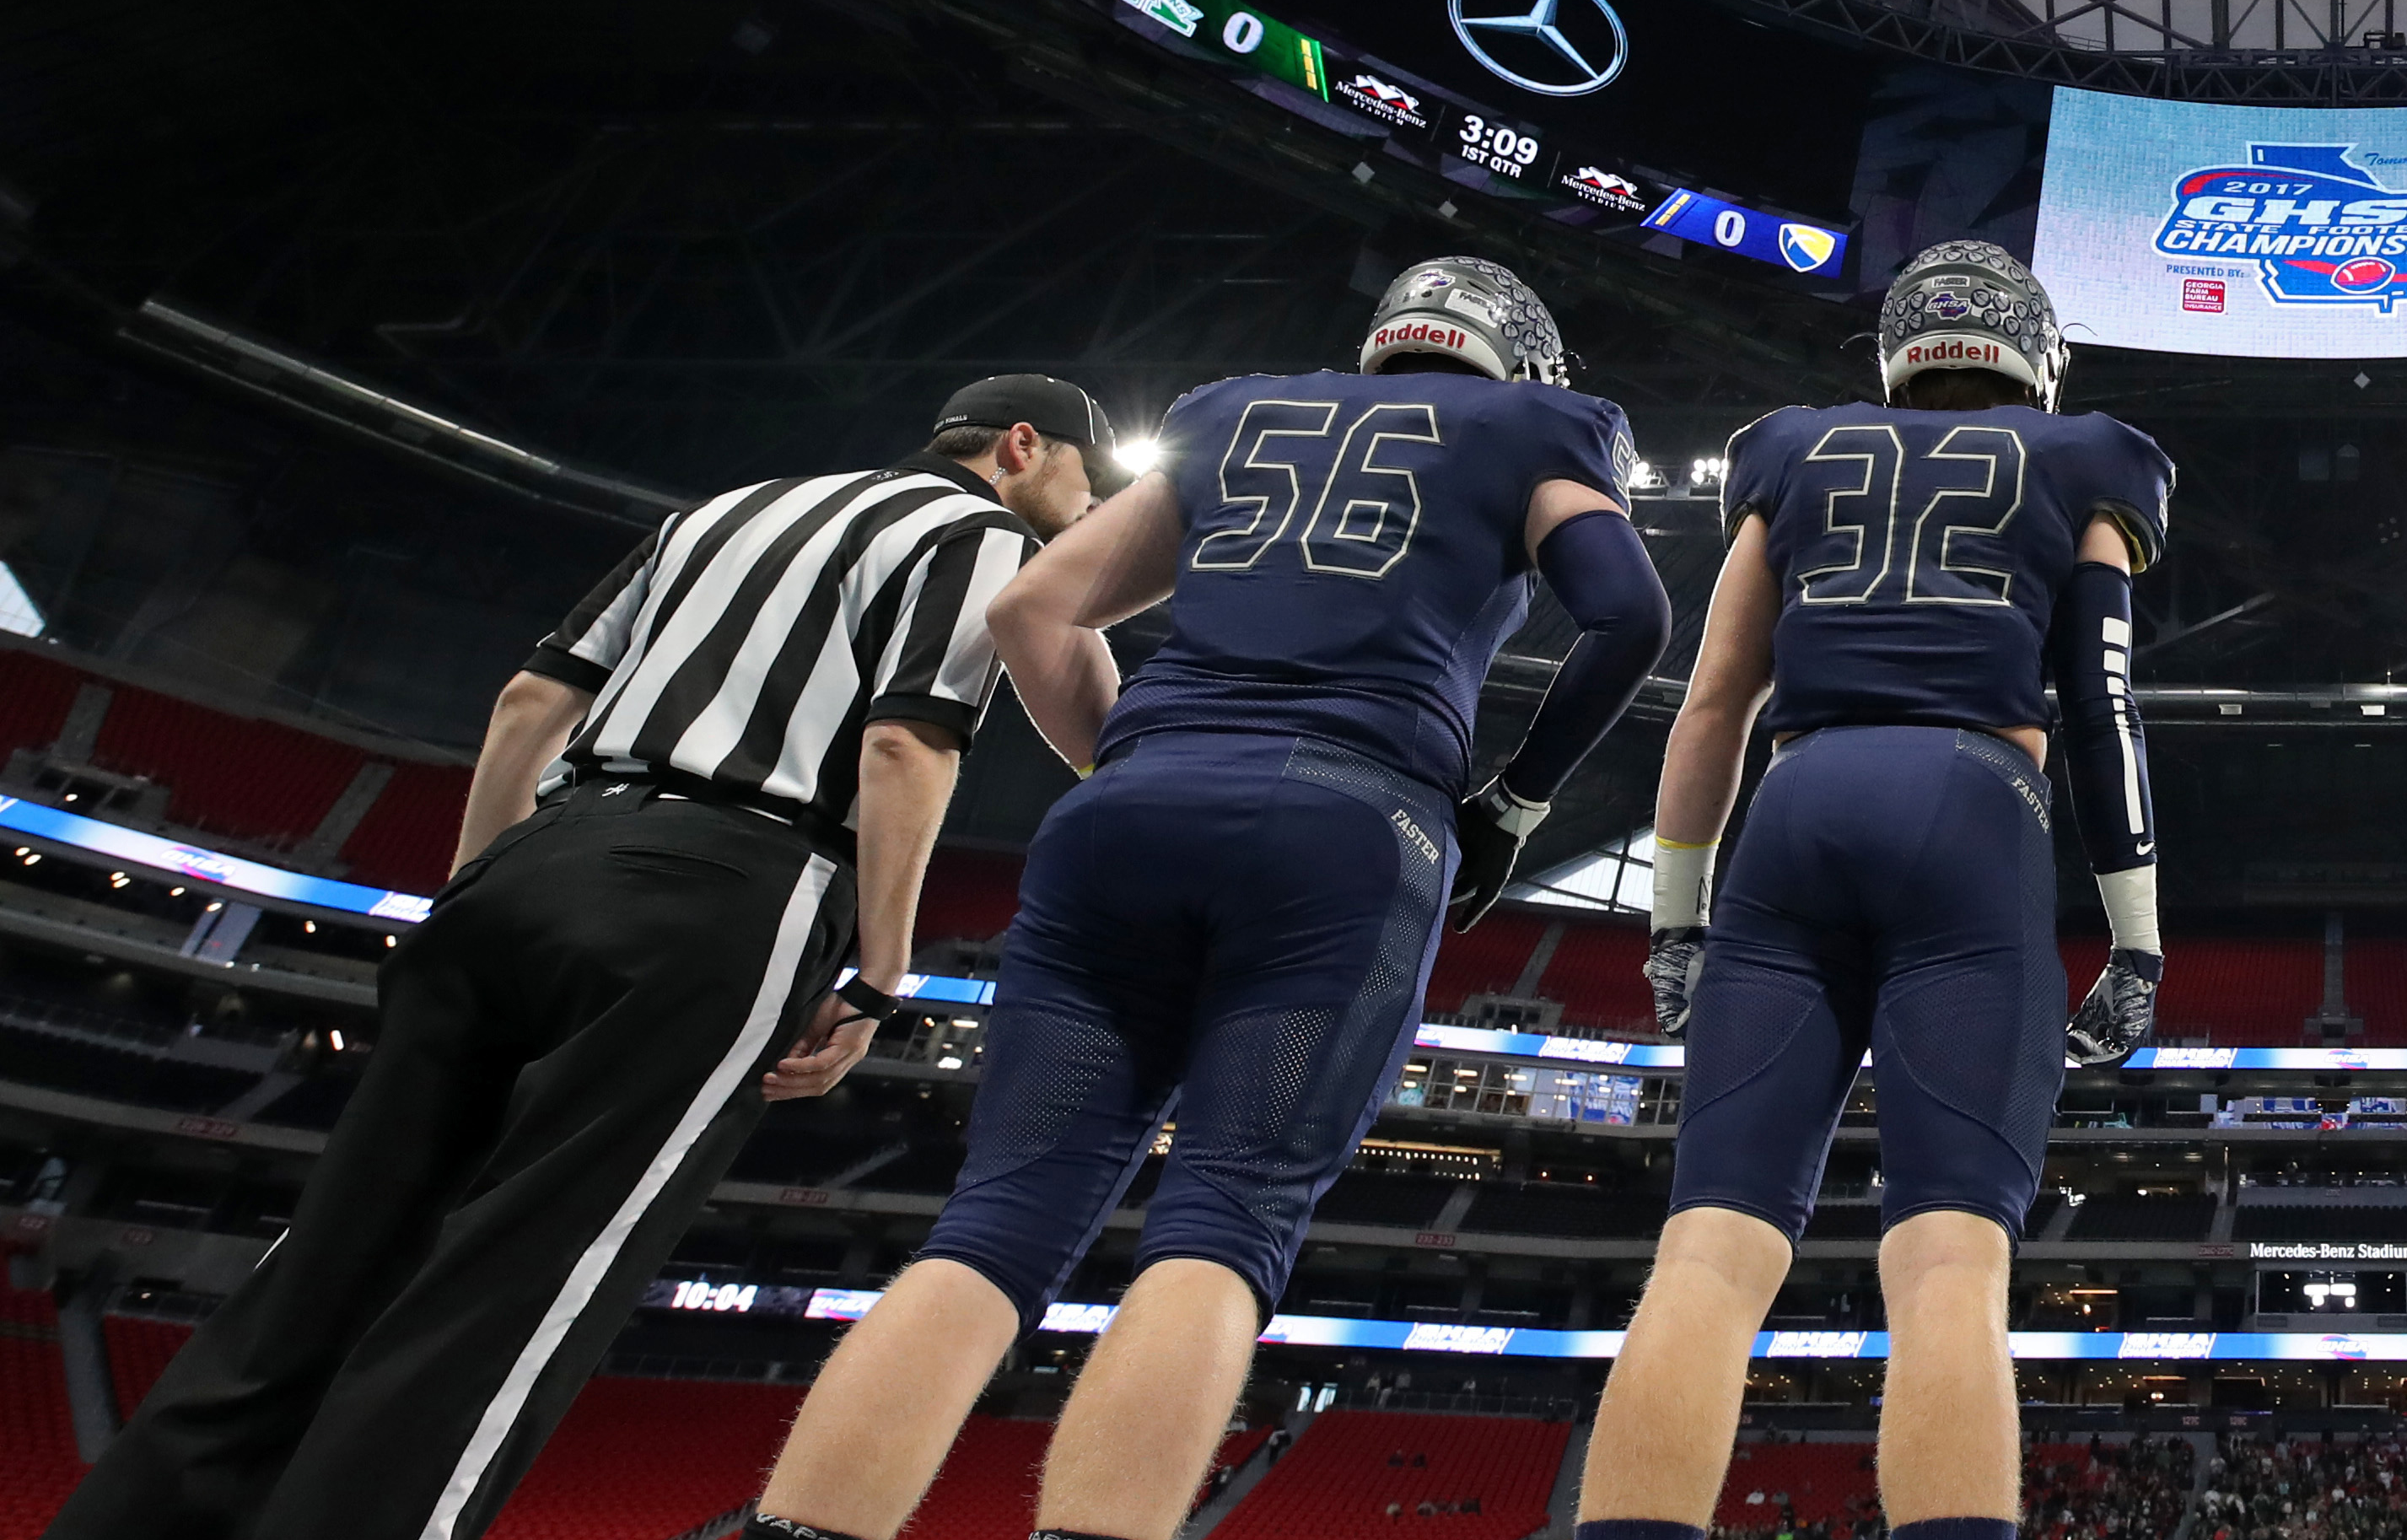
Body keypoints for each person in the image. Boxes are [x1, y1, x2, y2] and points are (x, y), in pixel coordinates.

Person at [52, 374, 1110, 1540]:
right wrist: (878, 973)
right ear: (1022, 445)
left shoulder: (723, 509)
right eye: (1084, 476)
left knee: (322, 1264)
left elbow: (527, 699)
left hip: (534, 857)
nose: (1088, 503)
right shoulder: (983, 534)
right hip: (726, 880)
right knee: (516, 1292)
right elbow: (906, 741)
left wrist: (475, 884)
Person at [749, 261, 1673, 1540]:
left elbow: (1032, 606)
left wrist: (1123, 761)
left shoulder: (1238, 411)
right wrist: (1513, 803)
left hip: (1126, 809)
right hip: (1350, 818)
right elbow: (1628, 615)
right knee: (1224, 1220)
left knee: (995, 1224)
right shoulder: (1534, 427)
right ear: (1514, 361)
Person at [1575, 239, 2174, 1540]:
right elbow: (2102, 704)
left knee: (1711, 1253)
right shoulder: (2083, 459)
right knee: (1950, 1260)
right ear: (2036, 354)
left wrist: (1674, 915)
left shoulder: (1793, 447)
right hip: (1971, 805)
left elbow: (1714, 699)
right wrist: (2137, 940)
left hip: (1794, 808)